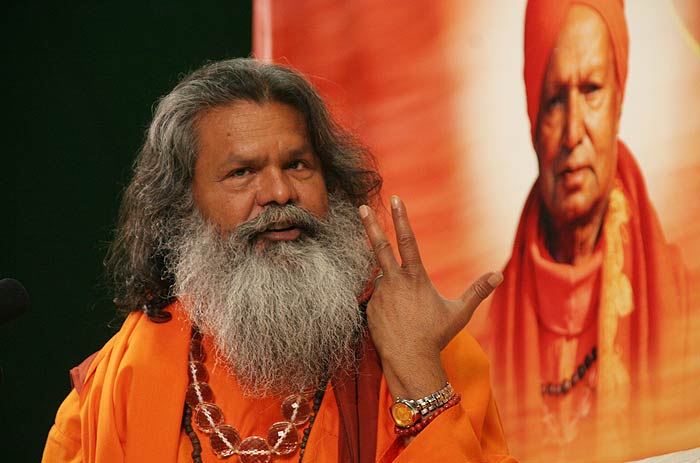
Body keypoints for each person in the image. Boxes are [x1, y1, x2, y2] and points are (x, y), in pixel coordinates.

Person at [43, 58, 515, 463]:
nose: (279, 192)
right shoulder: (120, 381)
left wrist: (420, 377)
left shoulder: (421, 347)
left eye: (297, 165)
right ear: (183, 207)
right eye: (242, 172)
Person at [483, 0, 698, 461]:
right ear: (532, 117)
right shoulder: (484, 343)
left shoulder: (689, 315)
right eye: (554, 99)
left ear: (619, 101)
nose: (573, 132)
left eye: (592, 90)